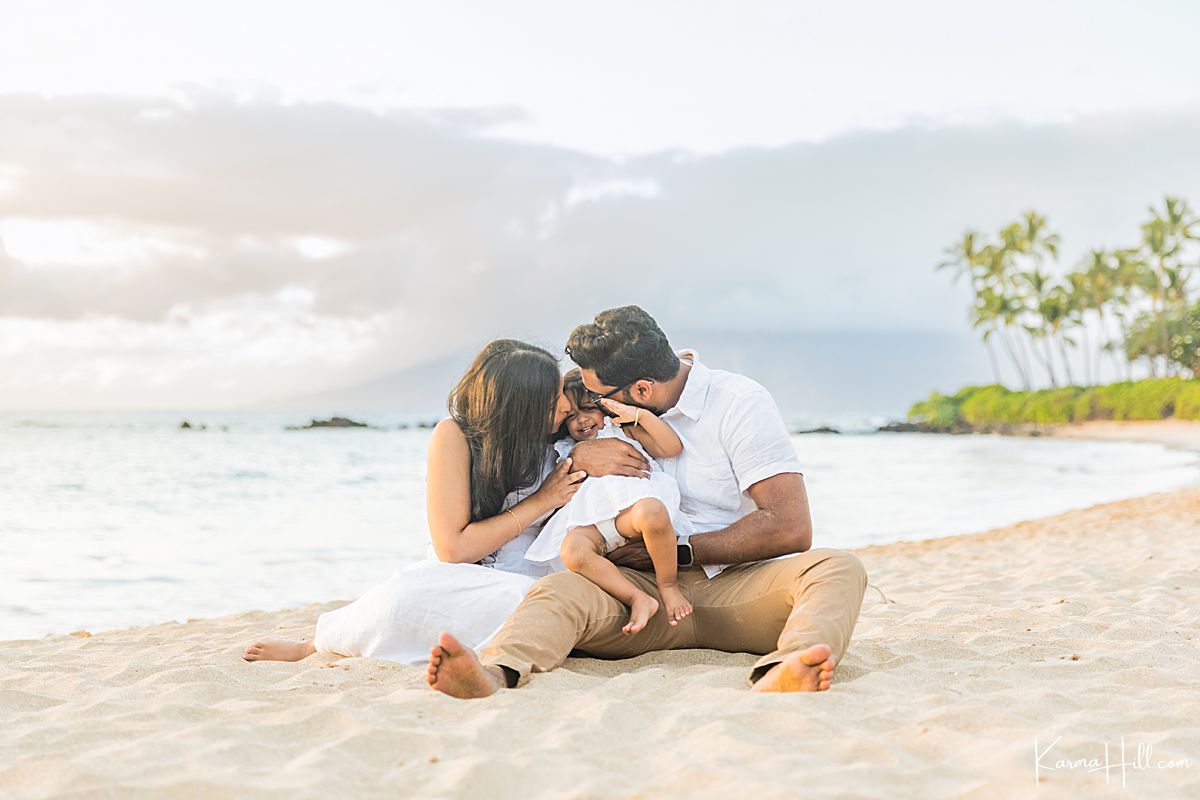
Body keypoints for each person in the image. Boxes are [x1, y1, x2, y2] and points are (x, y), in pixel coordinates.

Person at [426, 306, 868, 697]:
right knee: (557, 590)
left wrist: (677, 551)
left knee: (838, 568)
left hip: (735, 587)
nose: (587, 406)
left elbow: (791, 527)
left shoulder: (739, 403)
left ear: (640, 391)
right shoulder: (594, 418)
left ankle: (786, 668)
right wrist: (580, 454)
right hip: (634, 595)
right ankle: (496, 675)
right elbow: (527, 435)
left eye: (599, 397)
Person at [242, 339, 584, 665]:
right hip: (455, 577)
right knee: (402, 599)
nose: (567, 406)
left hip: (525, 583)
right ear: (519, 405)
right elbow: (453, 549)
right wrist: (542, 501)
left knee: (535, 600)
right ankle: (315, 645)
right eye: (553, 399)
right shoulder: (455, 437)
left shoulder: (563, 439)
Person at [524, 368, 692, 634]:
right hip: (593, 523)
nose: (580, 420)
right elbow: (556, 491)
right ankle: (636, 597)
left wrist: (640, 416)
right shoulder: (567, 449)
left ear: (606, 405)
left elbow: (671, 448)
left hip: (631, 515)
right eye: (570, 416)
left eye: (588, 408)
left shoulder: (625, 429)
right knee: (573, 552)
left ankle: (668, 586)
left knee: (653, 514)